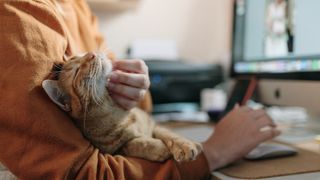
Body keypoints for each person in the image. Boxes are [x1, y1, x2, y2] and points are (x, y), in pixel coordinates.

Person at [0, 0, 280, 179]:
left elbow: (136, 110)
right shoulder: (14, 17)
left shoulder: (78, 7)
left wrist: (134, 89)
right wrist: (214, 153)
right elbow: (80, 174)